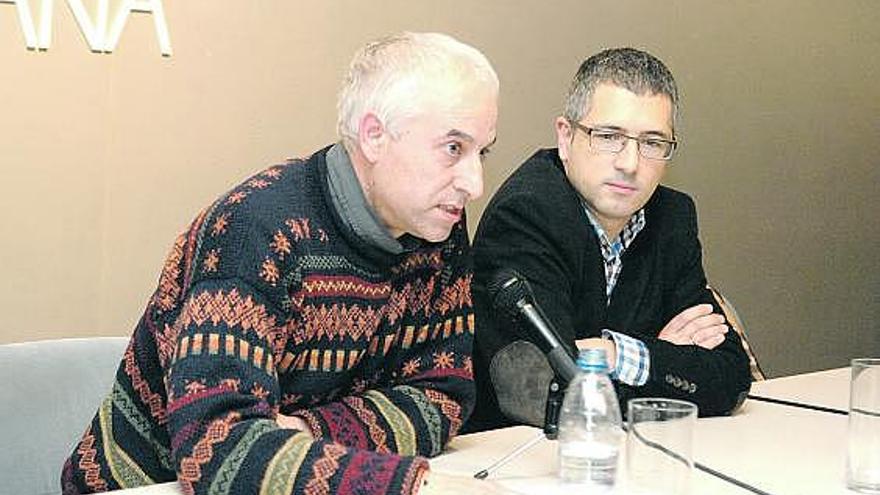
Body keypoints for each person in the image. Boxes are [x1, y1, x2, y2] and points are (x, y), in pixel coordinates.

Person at [62, 32, 504, 495]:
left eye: (483, 151)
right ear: (374, 136)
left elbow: (444, 393)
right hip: (143, 487)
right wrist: (416, 488)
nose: (474, 183)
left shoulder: (437, 226)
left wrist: (307, 431)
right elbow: (219, 452)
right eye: (454, 148)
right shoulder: (253, 231)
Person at [466, 47, 752, 432]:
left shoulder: (672, 218)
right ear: (565, 138)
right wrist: (661, 354)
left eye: (652, 142)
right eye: (609, 136)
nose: (630, 163)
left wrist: (613, 353)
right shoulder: (526, 214)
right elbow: (546, 393)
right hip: (523, 462)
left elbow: (731, 376)